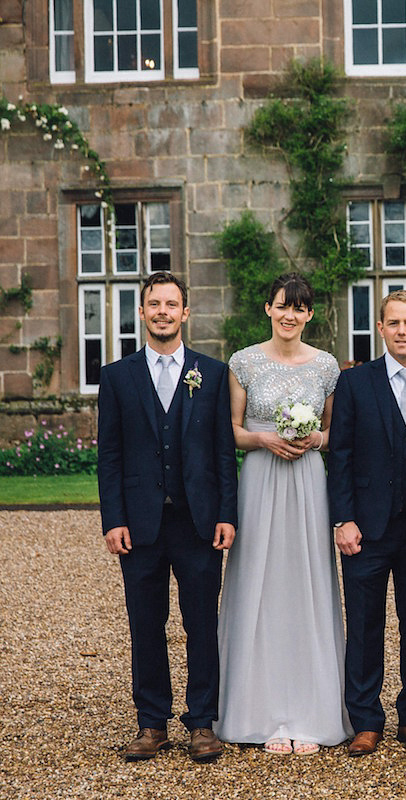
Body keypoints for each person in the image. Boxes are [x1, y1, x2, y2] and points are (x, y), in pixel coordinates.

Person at [97, 271, 238, 763]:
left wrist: (227, 513)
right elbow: (109, 455)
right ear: (141, 312)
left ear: (185, 312)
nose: (162, 311)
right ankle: (151, 722)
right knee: (145, 625)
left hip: (198, 522)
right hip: (139, 525)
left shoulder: (213, 373)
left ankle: (202, 722)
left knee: (202, 624)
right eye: (153, 303)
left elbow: (224, 453)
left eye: (171, 304)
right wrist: (112, 519)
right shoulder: (116, 376)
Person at [215, 273, 351, 754]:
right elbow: (231, 430)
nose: (290, 315)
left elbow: (337, 433)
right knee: (259, 584)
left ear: (310, 314)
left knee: (307, 585)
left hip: (309, 484)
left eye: (299, 308)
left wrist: (314, 439)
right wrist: (265, 438)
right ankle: (261, 712)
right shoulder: (244, 362)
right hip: (260, 479)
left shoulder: (326, 366)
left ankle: (310, 711)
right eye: (282, 306)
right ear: (268, 309)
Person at [327, 289, 406, 757]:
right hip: (367, 529)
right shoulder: (355, 383)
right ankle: (366, 720)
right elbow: (341, 457)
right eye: (393, 323)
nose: (401, 331)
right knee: (365, 625)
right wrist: (343, 519)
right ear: (380, 328)